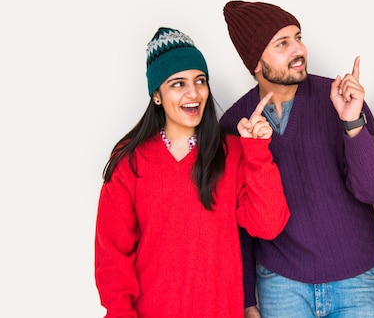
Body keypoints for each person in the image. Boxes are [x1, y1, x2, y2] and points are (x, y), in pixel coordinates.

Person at [94, 27, 290, 318]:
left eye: (200, 80)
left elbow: (269, 224)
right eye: (178, 83)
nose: (193, 92)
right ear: (157, 95)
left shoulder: (232, 152)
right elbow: (112, 256)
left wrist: (258, 152)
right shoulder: (130, 160)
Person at [219, 1, 374, 318]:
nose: (298, 49)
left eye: (298, 37)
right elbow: (239, 226)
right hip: (281, 284)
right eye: (282, 43)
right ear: (255, 63)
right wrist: (247, 298)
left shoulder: (340, 98)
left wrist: (352, 123)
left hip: (356, 279)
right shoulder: (235, 123)